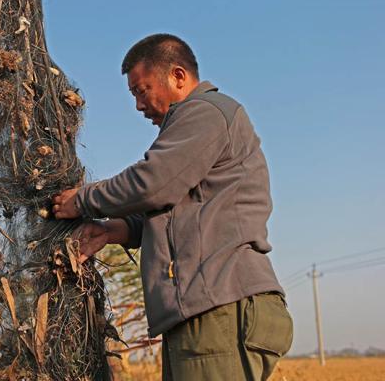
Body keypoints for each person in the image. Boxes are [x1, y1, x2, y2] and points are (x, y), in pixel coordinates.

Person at [52, 33, 292, 380]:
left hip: (220, 309)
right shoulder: (194, 129)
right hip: (207, 313)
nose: (138, 104)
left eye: (141, 89)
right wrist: (112, 230)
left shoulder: (205, 112)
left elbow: (153, 183)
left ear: (178, 76)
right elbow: (175, 211)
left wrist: (83, 199)